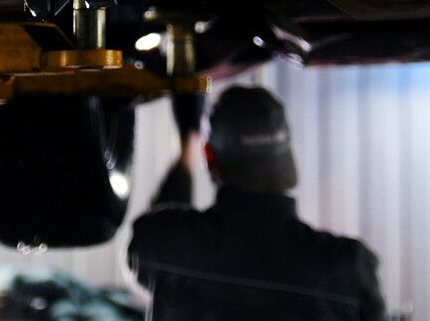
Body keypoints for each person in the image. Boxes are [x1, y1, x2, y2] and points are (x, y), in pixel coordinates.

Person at [128, 86, 386, 320]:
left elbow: (149, 249)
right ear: (286, 157)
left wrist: (188, 144)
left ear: (209, 156)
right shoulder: (347, 267)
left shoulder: (167, 243)